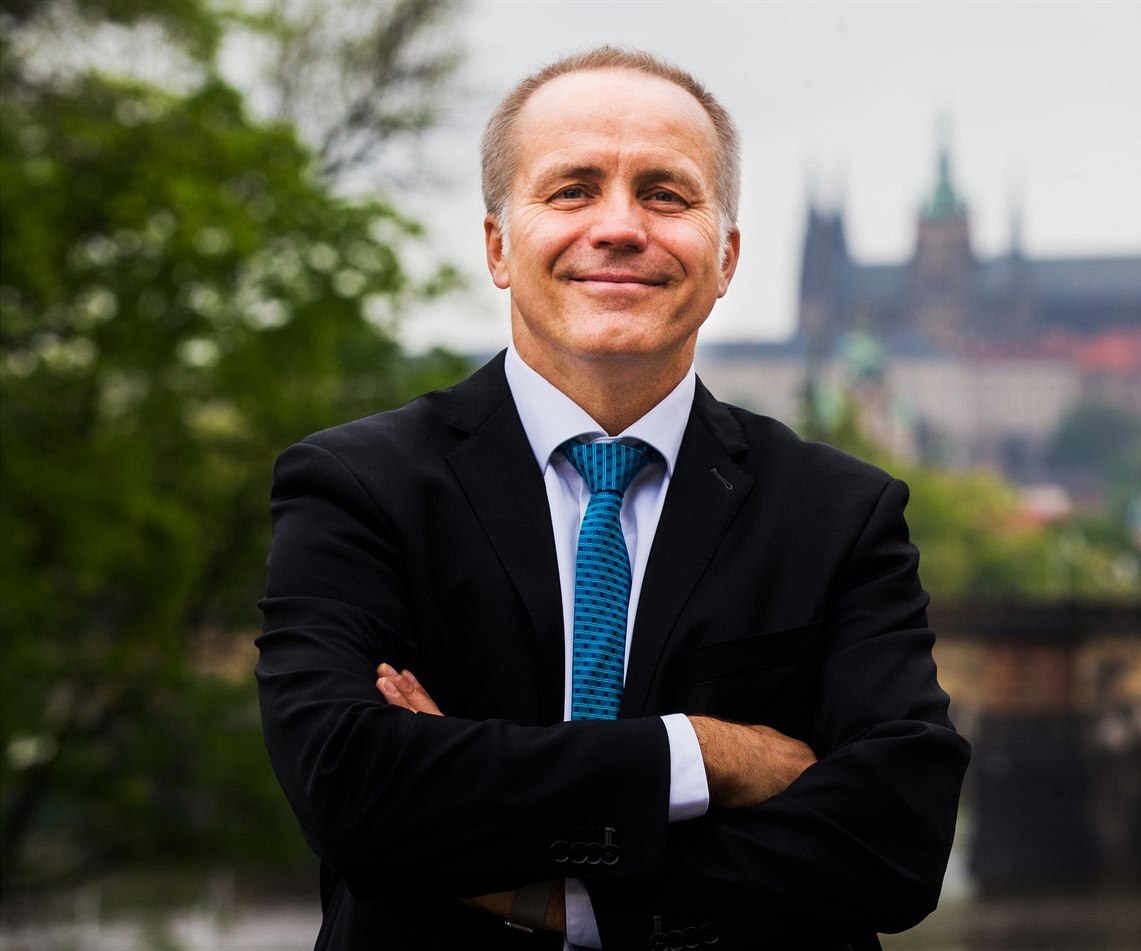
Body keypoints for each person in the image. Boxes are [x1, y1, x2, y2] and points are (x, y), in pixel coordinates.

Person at [256, 46, 968, 951]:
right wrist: (707, 752)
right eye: (572, 190)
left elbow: (896, 842)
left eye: (666, 195)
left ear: (726, 257)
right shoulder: (358, 487)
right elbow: (350, 787)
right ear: (498, 246)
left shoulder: (840, 513)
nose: (621, 226)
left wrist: (554, 896)